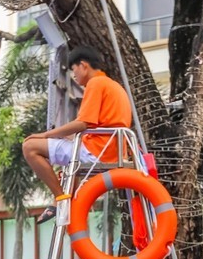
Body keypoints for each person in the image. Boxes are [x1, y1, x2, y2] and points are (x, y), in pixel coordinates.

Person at [21, 45, 133, 226]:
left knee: (30, 146)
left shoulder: (95, 83)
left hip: (98, 151)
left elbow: (83, 123)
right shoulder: (113, 85)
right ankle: (62, 200)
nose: (74, 75)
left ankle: (60, 198)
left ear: (83, 65)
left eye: (74, 70)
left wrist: (46, 135)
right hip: (111, 149)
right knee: (68, 160)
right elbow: (96, 125)